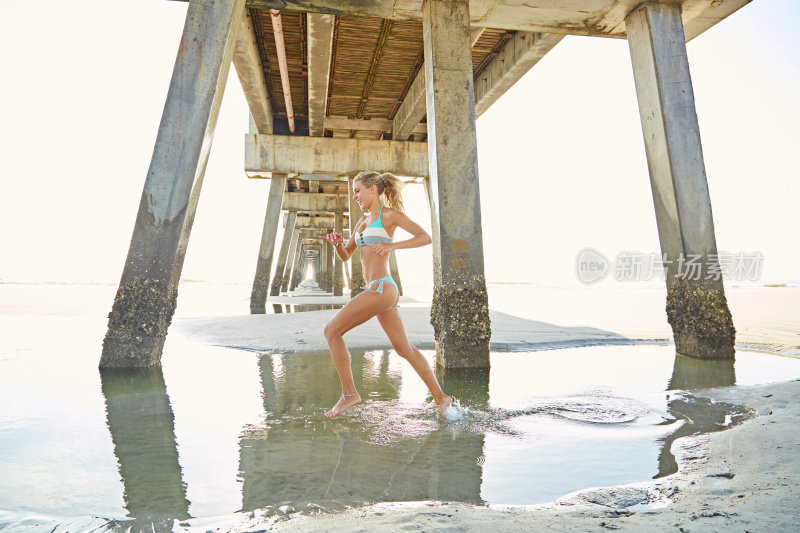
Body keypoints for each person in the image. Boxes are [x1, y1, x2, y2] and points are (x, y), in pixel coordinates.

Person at [320, 171, 452, 418]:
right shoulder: (361, 223)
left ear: (373, 189)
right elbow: (346, 256)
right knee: (404, 349)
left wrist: (392, 245)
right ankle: (441, 398)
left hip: (382, 287)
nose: (354, 195)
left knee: (331, 331)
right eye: (354, 191)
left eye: (357, 190)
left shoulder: (389, 215)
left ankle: (350, 395)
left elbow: (425, 237)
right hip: (379, 292)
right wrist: (337, 243)